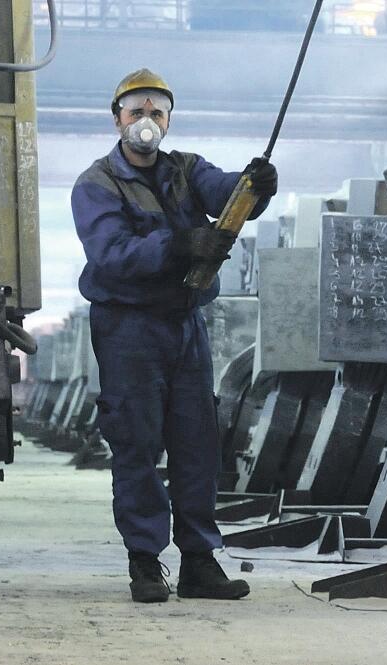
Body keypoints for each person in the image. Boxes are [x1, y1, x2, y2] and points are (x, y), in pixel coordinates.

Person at [71, 69, 277, 603]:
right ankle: (145, 562)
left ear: (168, 120)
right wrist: (180, 244)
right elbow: (111, 253)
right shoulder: (96, 184)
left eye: (156, 112)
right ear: (117, 118)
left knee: (196, 442)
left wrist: (255, 185)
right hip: (129, 327)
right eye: (136, 111)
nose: (146, 121)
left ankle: (199, 563)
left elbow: (227, 193)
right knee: (137, 441)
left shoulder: (186, 169)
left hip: (185, 323)